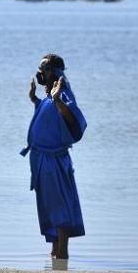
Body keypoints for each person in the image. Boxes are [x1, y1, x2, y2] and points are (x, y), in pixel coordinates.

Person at [21, 53, 87, 259]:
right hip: (41, 160)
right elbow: (48, 113)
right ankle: (54, 250)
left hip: (54, 160)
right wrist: (34, 100)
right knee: (48, 205)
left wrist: (58, 100)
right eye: (40, 69)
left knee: (60, 204)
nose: (40, 73)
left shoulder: (63, 93)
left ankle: (63, 252)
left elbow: (71, 116)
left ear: (55, 72)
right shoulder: (51, 95)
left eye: (45, 70)